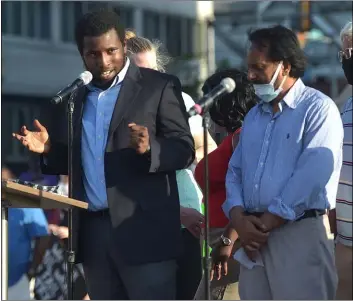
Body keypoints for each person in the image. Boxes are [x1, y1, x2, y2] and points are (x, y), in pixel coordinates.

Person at [13, 9, 195, 300]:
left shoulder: (157, 86)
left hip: (144, 231)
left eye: (111, 51)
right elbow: (82, 159)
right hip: (95, 232)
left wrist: (151, 149)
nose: (104, 61)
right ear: (82, 54)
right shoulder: (76, 96)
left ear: (123, 44)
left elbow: (184, 149)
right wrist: (48, 149)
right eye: (93, 54)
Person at [216, 25, 342, 299]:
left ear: (284, 66)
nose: (250, 76)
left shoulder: (317, 109)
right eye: (248, 67)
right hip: (253, 239)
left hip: (296, 233)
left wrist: (266, 223)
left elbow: (312, 174)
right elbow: (235, 171)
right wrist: (239, 217)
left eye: (258, 67)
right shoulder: (254, 116)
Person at [124, 30, 217, 300]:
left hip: (188, 220)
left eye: (155, 70)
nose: (151, 78)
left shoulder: (181, 100)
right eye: (141, 72)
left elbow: (206, 148)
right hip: (141, 224)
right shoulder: (116, 110)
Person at [193, 69, 257, 300]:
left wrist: (228, 239)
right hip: (220, 242)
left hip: (231, 244)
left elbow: (249, 193)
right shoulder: (232, 137)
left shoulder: (242, 135)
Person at [328, 21, 352, 300]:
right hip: (344, 238)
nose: (346, 61)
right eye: (342, 55)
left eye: (350, 53)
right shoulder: (348, 105)